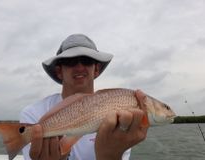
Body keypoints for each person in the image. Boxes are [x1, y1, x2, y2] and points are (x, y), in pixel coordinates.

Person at [20, 34, 149, 160]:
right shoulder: (33, 114)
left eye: (87, 60)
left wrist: (110, 156)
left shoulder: (121, 115)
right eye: (71, 61)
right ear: (59, 71)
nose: (79, 67)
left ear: (96, 69)